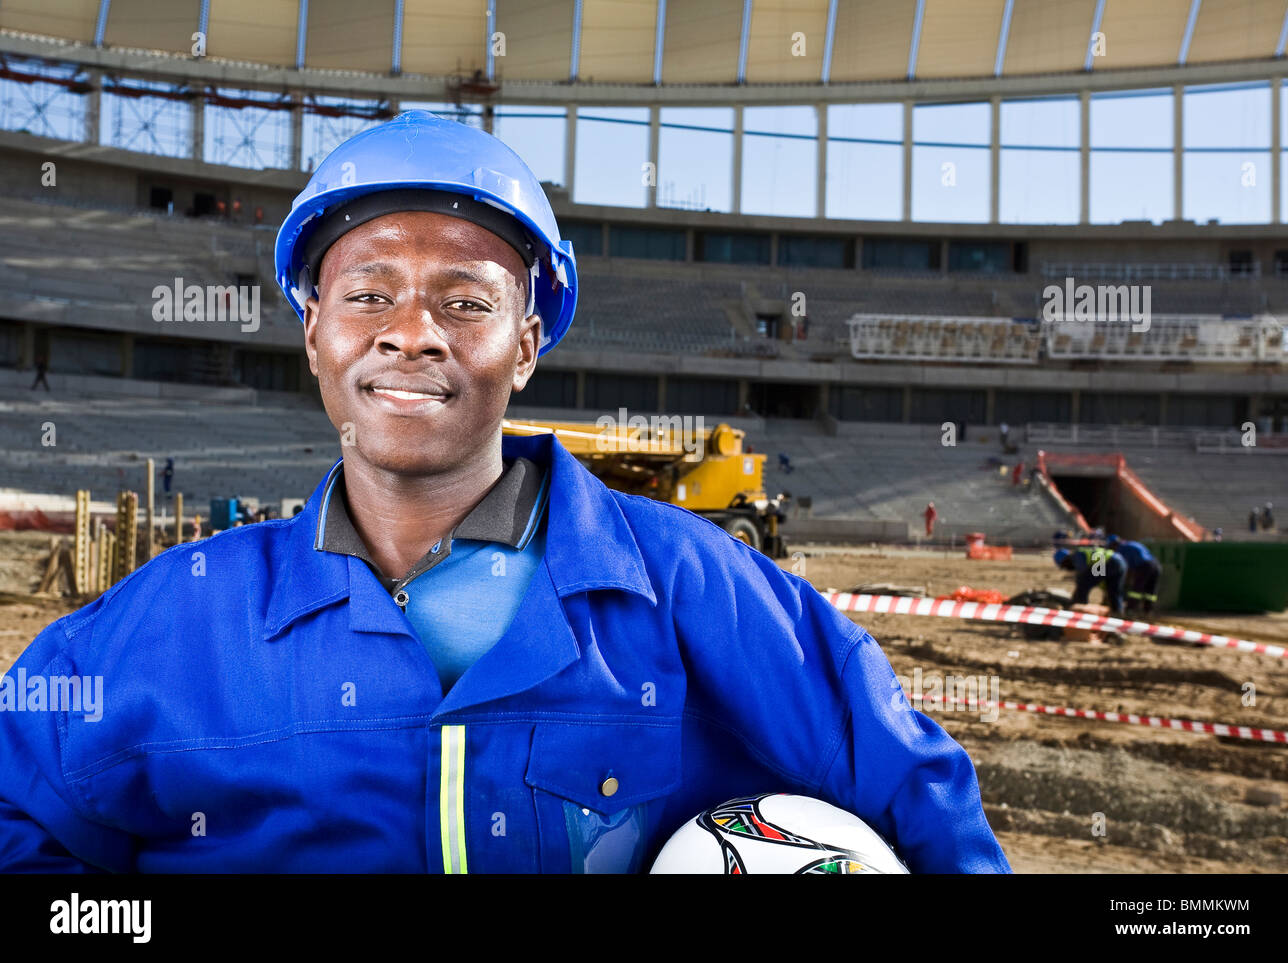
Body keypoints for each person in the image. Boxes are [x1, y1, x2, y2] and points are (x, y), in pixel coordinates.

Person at [0, 112, 1008, 874]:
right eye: (367, 293)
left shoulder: (700, 589)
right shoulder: (169, 623)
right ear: (314, 332)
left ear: (525, 346)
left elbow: (918, 801)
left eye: (465, 302)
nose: (412, 332)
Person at [1054, 545, 1128, 616]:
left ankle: (1079, 608)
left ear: (1065, 560)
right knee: (1114, 591)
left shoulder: (1077, 556)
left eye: (1064, 566)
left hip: (1108, 562)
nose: (1067, 569)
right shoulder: (1081, 554)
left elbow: (1083, 578)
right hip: (1120, 562)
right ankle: (1118, 613)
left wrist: (1075, 597)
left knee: (1083, 584)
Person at [1106, 534, 1161, 615]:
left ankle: (1130, 609)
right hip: (1156, 565)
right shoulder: (1131, 543)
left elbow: (1123, 565)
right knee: (1151, 591)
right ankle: (1148, 610)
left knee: (1136, 589)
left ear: (1114, 544)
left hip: (1144, 566)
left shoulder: (1122, 549)